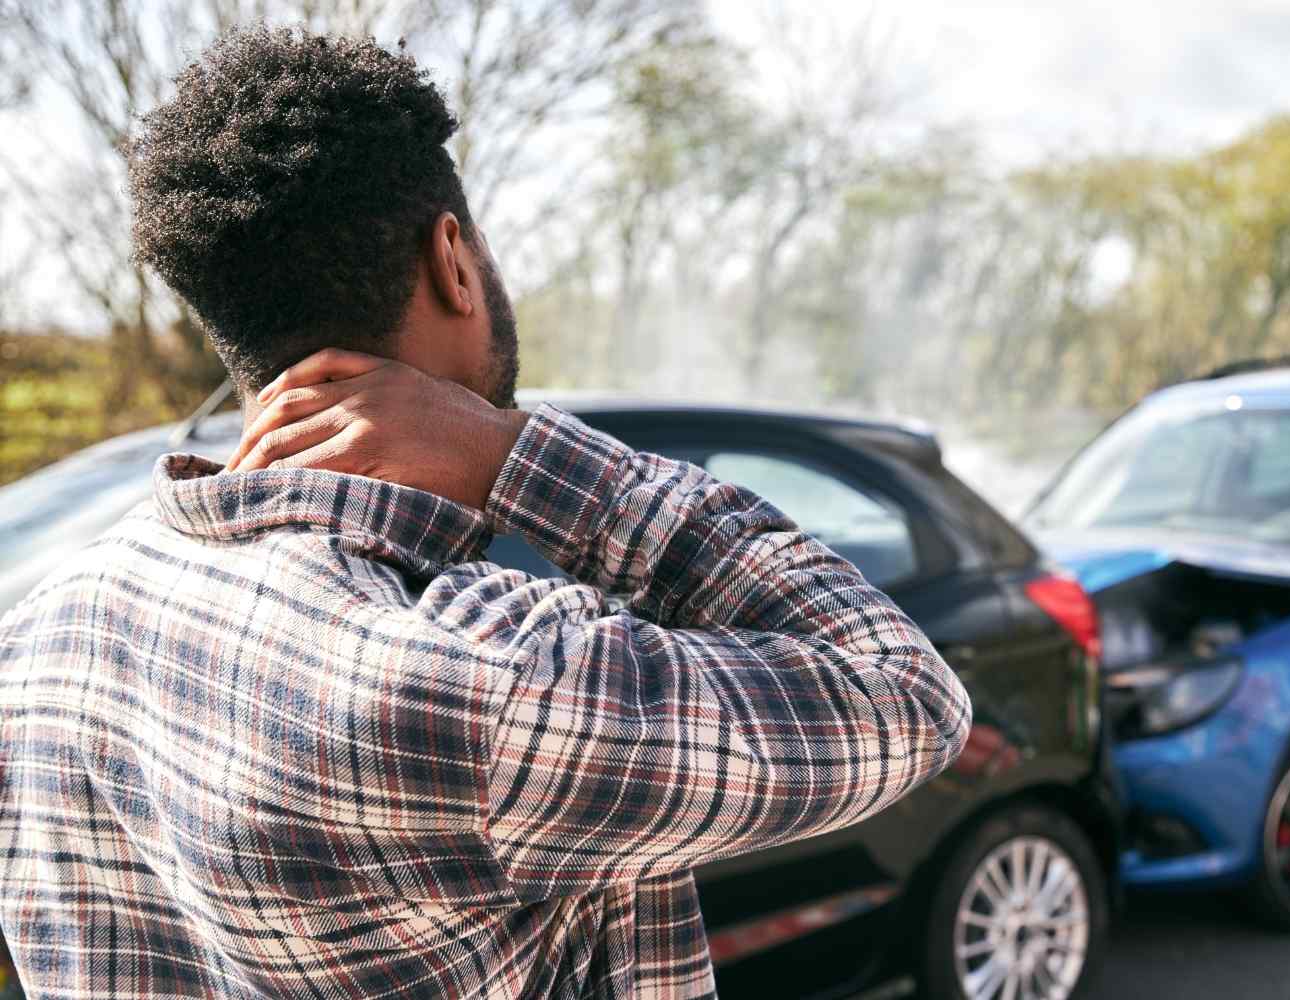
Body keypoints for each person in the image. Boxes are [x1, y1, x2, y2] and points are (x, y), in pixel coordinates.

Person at [0, 26, 971, 1000]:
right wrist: (518, 454)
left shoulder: (41, 636)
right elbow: (902, 692)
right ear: (453, 260)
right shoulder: (486, 678)